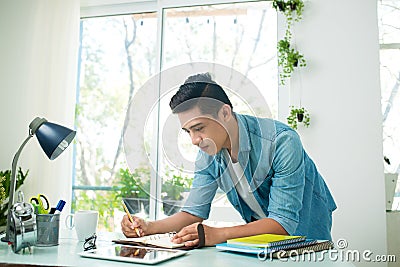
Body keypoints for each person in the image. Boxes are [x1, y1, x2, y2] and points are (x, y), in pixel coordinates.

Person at [121, 73, 336, 247]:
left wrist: (218, 234)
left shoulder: (282, 142)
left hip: (308, 241)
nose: (195, 140)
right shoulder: (207, 153)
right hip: (262, 245)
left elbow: (283, 223)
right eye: (188, 132)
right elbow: (193, 212)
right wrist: (148, 226)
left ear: (225, 112)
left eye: (199, 128)